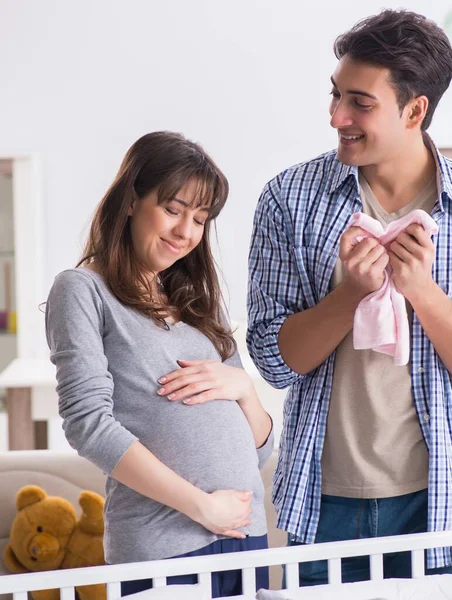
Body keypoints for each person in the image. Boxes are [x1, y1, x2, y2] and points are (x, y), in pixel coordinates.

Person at [247, 9, 452, 585]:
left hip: (445, 506)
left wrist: (423, 294)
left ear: (414, 109)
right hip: (321, 502)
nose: (336, 117)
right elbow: (275, 361)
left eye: (359, 102)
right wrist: (347, 295)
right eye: (334, 97)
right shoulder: (287, 201)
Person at [45, 131, 273, 597]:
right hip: (162, 545)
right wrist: (200, 507)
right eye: (172, 210)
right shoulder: (82, 290)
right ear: (131, 200)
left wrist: (245, 389)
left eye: (200, 218)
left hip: (245, 538)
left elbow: (258, 452)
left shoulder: (199, 304)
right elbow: (88, 425)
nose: (186, 232)